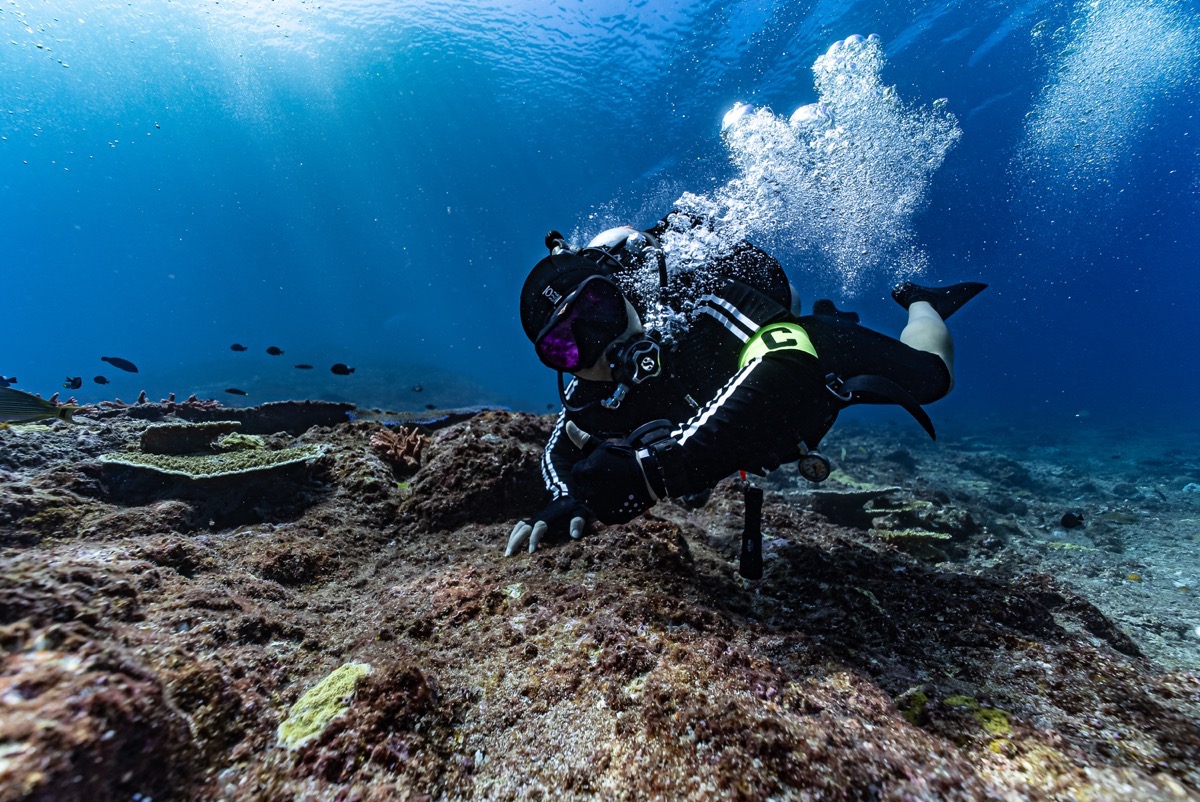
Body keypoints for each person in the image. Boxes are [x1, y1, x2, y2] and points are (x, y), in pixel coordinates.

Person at [505, 217, 985, 556]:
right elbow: (559, 447)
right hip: (749, 413)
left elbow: (786, 357)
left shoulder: (697, 303)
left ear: (622, 290)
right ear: (557, 364)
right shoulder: (589, 395)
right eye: (568, 347)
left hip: (805, 357)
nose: (603, 342)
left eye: (602, 310)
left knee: (931, 378)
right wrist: (565, 497)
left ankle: (922, 302)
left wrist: (656, 470)